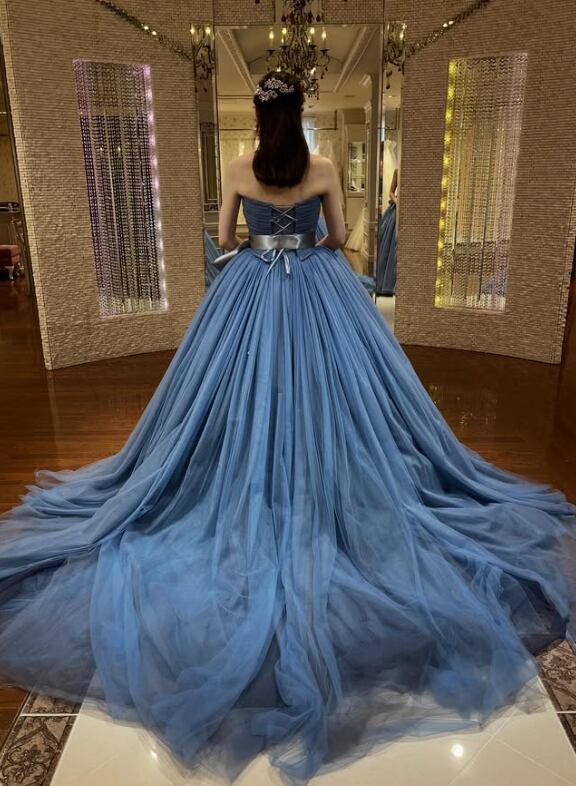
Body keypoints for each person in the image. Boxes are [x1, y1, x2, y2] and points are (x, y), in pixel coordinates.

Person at [1, 70, 576, 786]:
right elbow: (339, 236)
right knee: (341, 396)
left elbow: (224, 237)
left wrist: (257, 241)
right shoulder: (325, 167)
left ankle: (239, 471)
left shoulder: (238, 167)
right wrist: (308, 246)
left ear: (258, 113)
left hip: (248, 288)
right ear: (299, 112)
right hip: (319, 287)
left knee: (227, 396)